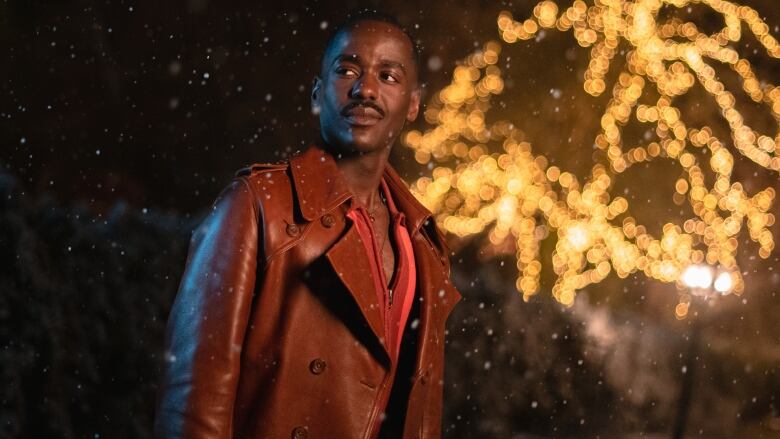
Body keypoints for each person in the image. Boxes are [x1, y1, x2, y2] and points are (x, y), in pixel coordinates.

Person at [154, 11, 462, 439]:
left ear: (413, 104)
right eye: (347, 70)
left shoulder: (424, 243)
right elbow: (194, 394)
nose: (366, 89)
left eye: (388, 76)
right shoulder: (258, 205)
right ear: (318, 94)